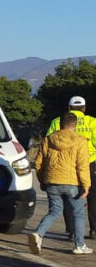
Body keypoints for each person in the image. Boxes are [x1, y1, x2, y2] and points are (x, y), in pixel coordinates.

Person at [28, 112, 92, 255]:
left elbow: (38, 163)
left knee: (55, 211)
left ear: (60, 124)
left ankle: (38, 234)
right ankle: (79, 245)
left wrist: (42, 180)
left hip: (52, 181)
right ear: (75, 125)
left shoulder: (48, 139)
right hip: (72, 183)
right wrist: (86, 185)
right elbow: (82, 165)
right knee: (78, 214)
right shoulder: (81, 141)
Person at [46, 96, 96, 238]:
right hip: (90, 162)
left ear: (69, 108)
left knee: (69, 198)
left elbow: (48, 143)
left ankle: (72, 231)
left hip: (66, 165)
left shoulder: (57, 122)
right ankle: (94, 230)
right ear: (84, 108)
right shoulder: (93, 122)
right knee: (93, 197)